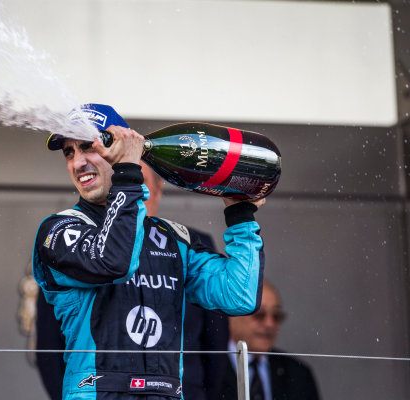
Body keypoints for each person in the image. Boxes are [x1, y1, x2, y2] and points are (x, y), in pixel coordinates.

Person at [32, 103, 265, 400]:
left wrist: (240, 216)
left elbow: (239, 295)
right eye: (69, 152)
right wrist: (127, 174)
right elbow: (114, 260)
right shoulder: (59, 230)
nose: (78, 163)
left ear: (118, 146)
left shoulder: (172, 239)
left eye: (88, 147)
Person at [217, 280, 320, 400]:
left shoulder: (298, 374)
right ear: (231, 316)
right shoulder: (205, 367)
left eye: (276, 316)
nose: (270, 324)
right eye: (259, 315)